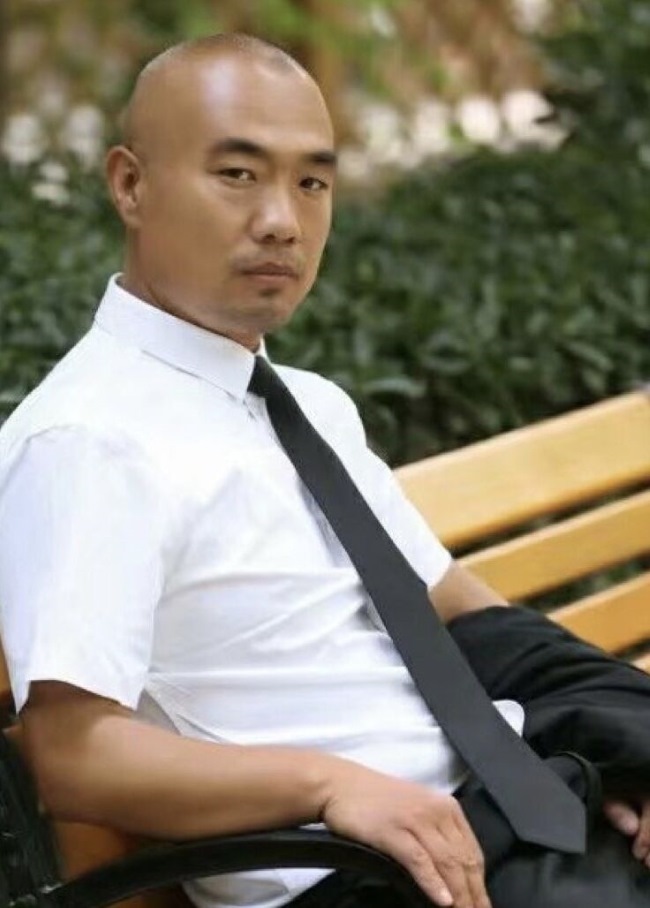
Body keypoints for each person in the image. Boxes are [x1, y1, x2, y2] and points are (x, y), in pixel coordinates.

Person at [0, 33, 647, 908]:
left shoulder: (306, 404)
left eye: (312, 182)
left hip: (514, 817)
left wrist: (623, 751)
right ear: (130, 185)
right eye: (238, 174)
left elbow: (456, 606)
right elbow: (72, 754)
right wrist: (330, 786)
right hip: (374, 878)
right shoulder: (89, 441)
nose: (283, 220)